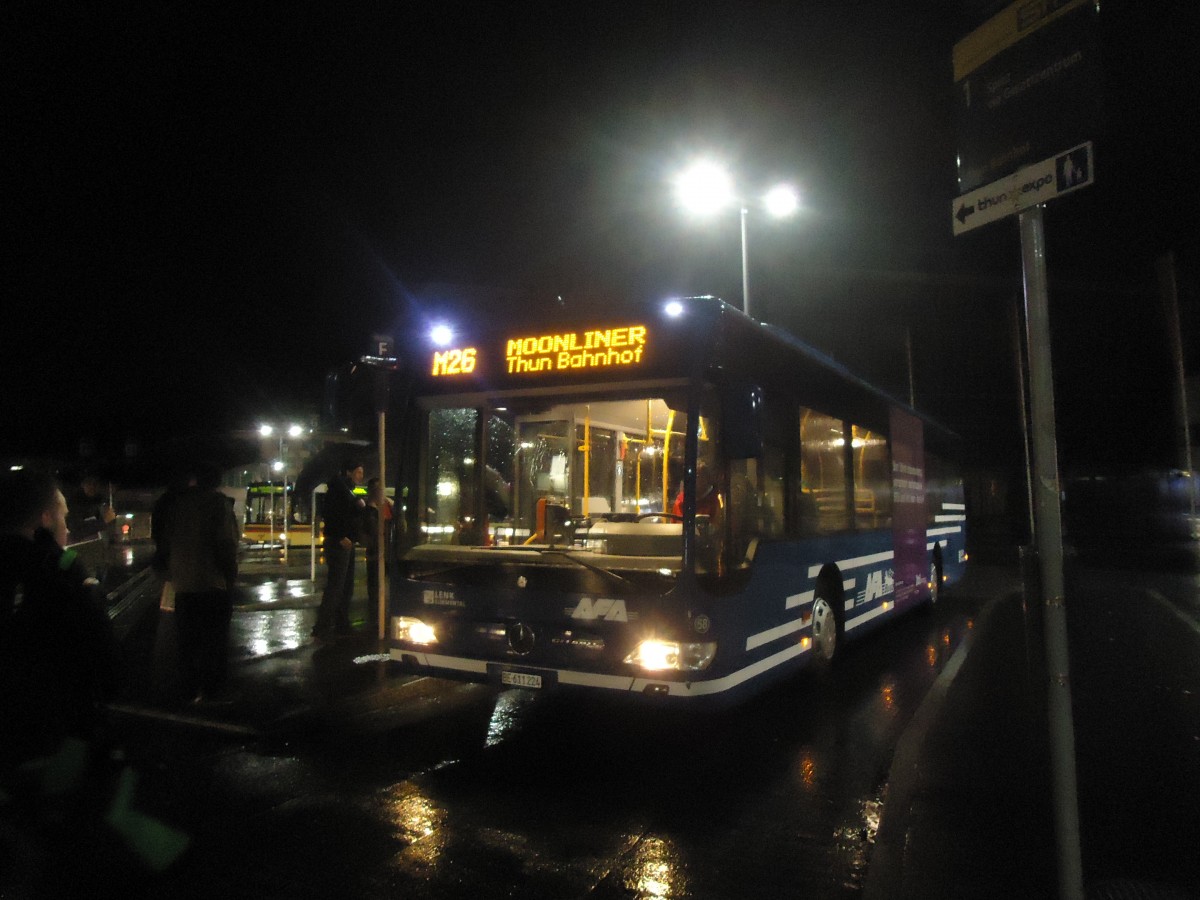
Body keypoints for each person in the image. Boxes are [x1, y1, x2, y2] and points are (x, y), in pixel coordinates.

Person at [0, 469, 119, 770]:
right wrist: (91, 595)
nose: (67, 528)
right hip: (47, 735)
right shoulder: (59, 570)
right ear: (45, 520)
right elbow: (104, 661)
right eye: (63, 518)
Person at [163, 463, 239, 704]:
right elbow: (226, 544)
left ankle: (187, 690)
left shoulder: (177, 505)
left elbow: (165, 541)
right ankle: (213, 692)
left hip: (183, 584)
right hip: (212, 583)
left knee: (187, 642)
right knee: (214, 641)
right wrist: (230, 576)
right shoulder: (218, 504)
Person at [313, 459, 365, 638]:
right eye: (358, 472)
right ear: (348, 472)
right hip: (339, 542)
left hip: (346, 541)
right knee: (336, 586)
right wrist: (342, 536)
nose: (361, 476)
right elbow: (334, 516)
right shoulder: (338, 490)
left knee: (346, 586)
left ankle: (340, 622)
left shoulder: (347, 490)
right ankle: (323, 626)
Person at [363, 476, 393, 631]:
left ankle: (386, 617)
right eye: (376, 489)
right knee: (375, 588)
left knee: (390, 587)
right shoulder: (369, 510)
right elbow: (372, 532)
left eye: (381, 488)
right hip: (376, 554)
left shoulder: (389, 506)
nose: (379, 492)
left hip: (390, 553)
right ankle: (375, 620)